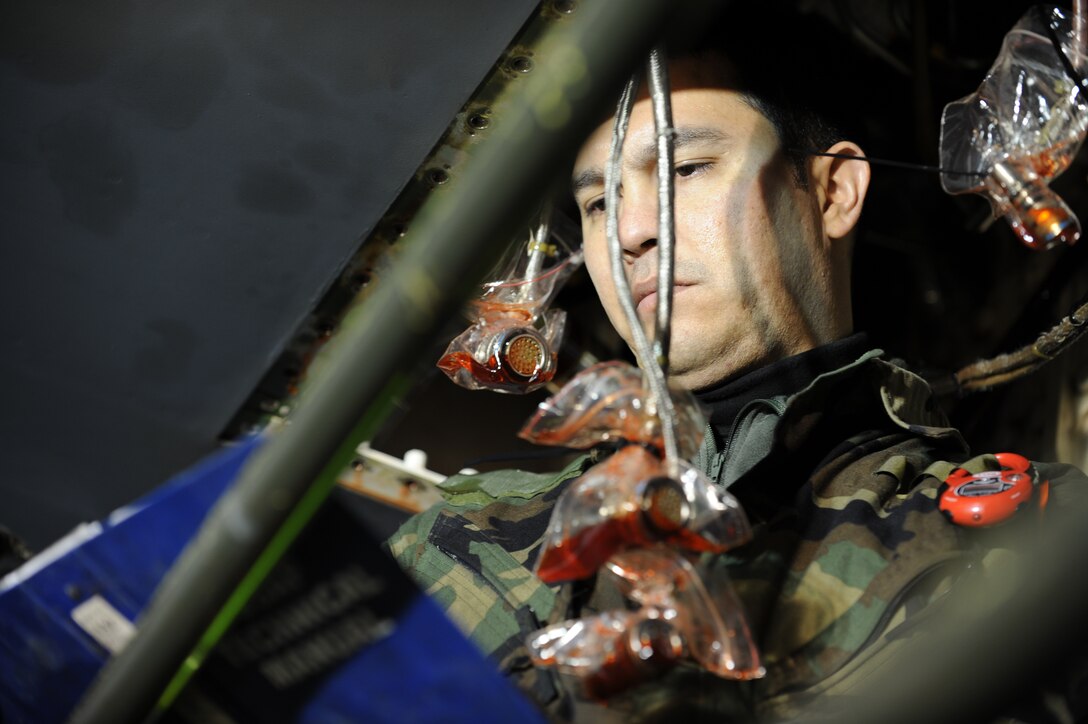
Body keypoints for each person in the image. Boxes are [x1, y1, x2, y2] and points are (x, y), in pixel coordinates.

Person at [387, 42, 1088, 723]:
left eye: (684, 169)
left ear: (832, 191)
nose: (631, 230)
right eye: (598, 204)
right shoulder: (463, 541)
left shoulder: (1030, 545)